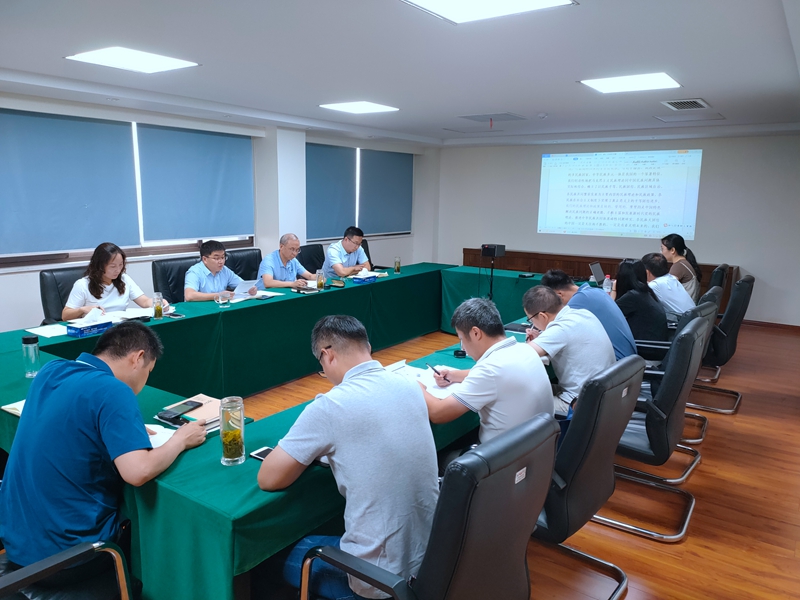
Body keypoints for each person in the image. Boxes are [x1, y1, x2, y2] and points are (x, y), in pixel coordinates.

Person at [0, 321, 206, 578]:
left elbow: (73, 417)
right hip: (69, 556)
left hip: (17, 542)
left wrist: (121, 427)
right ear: (138, 358)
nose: (145, 379)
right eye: (149, 370)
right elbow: (138, 472)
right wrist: (180, 439)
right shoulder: (114, 390)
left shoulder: (51, 370)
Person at [257, 315, 438, 600]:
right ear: (367, 347)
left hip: (378, 581)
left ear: (327, 355)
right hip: (431, 560)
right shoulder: (409, 384)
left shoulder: (331, 406)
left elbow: (269, 478)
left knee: (266, 560)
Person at [419, 298, 552, 444]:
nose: (463, 348)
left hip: (502, 455)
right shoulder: (525, 349)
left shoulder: (489, 369)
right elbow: (499, 376)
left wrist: (417, 388)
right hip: (541, 447)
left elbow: (439, 413)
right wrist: (454, 375)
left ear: (476, 333)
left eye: (462, 339)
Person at [524, 286, 615, 415]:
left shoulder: (560, 328)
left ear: (542, 316)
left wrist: (532, 343)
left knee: (521, 403)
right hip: (605, 394)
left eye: (531, 319)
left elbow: (523, 354)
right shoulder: (583, 313)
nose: (532, 324)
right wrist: (541, 339)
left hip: (580, 404)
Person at [540, 269, 636, 360]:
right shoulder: (596, 291)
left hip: (616, 363)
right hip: (630, 361)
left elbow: (556, 333)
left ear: (559, 295)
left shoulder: (577, 302)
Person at [62, 242, 167, 320]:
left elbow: (144, 301)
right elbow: (65, 315)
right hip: (97, 330)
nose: (118, 270)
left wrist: (157, 302)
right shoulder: (82, 285)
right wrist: (82, 310)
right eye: (113, 266)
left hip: (121, 328)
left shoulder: (124, 279)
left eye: (121, 265)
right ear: (99, 266)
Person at [613, 258, 669, 342]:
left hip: (644, 346)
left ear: (622, 278)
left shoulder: (633, 296)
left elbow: (610, 313)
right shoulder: (646, 292)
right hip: (653, 343)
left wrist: (614, 290)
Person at [184, 240, 257, 301]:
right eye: (216, 258)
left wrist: (250, 288)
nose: (221, 261)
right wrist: (218, 296)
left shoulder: (224, 270)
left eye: (223, 257)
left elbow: (242, 284)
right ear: (205, 259)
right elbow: (189, 296)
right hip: (199, 309)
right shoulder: (194, 272)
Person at [642, 252, 695, 321]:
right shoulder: (671, 278)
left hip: (682, 322)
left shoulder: (654, 286)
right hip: (694, 321)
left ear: (647, 272)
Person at [661, 233, 702, 302]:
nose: (661, 252)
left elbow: (667, 290)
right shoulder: (683, 263)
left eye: (662, 249)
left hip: (684, 307)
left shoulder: (679, 266)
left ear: (672, 250)